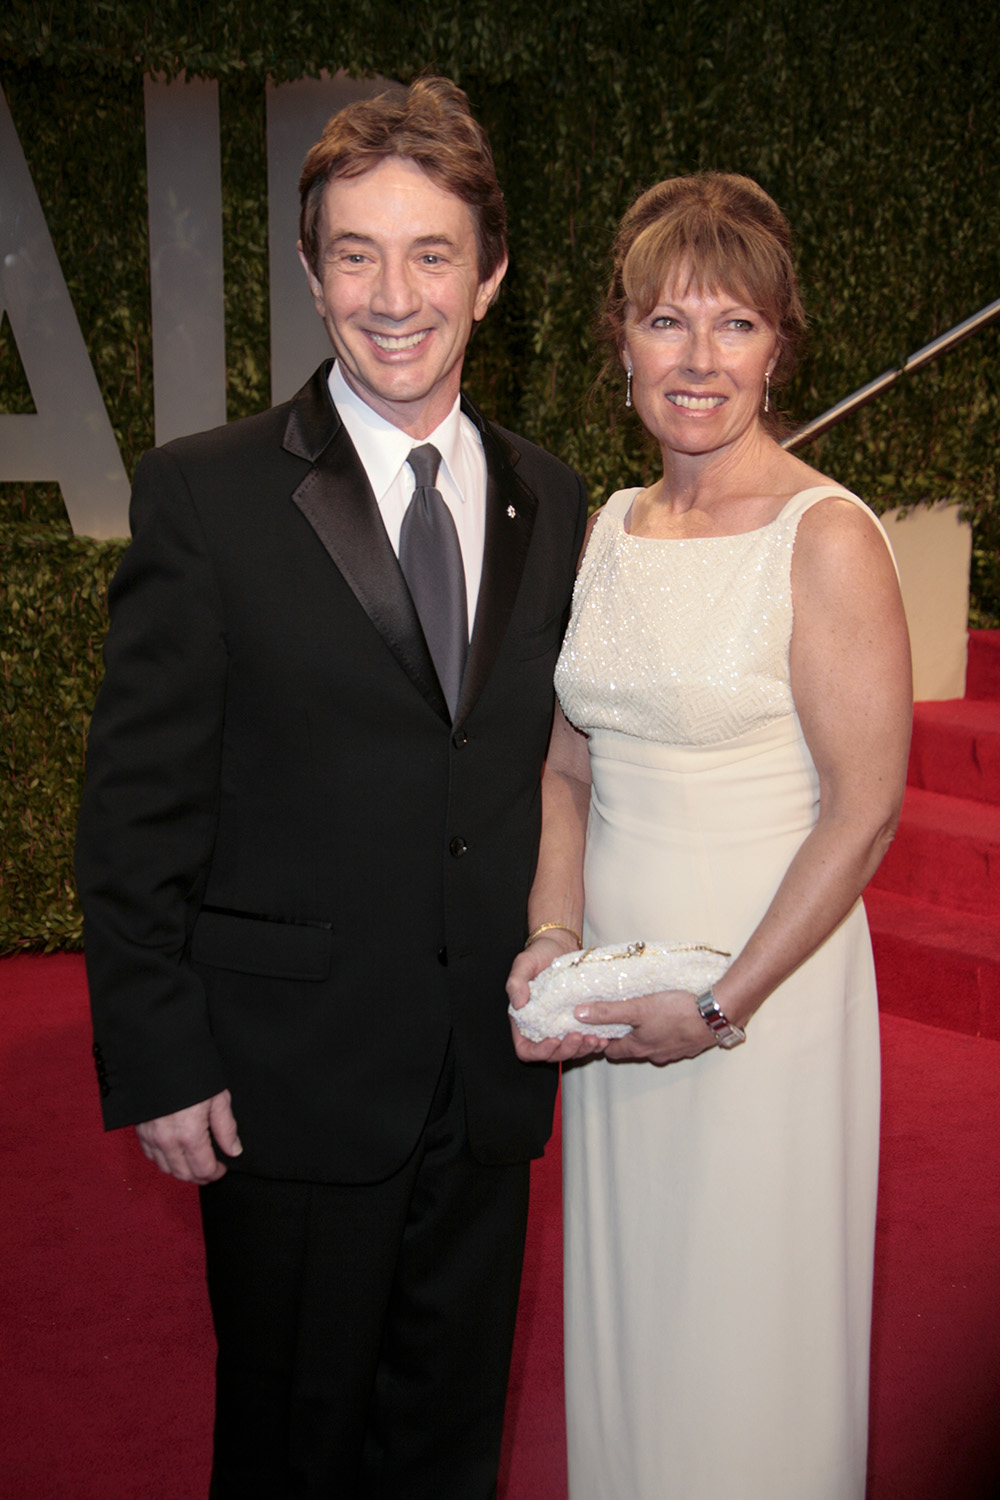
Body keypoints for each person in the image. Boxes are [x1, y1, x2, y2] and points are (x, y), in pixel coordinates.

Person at [75, 76, 587, 1499]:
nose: (394, 293)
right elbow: (135, 805)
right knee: (295, 1447)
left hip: (484, 1074)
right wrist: (160, 1052)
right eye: (355, 253)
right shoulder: (207, 493)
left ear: (491, 275)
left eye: (432, 253)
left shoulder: (552, 499)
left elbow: (540, 758)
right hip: (289, 1082)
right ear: (310, 275)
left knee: (446, 1442)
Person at [507, 172, 912, 1499]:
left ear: (779, 346)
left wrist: (720, 1002)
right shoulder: (610, 527)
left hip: (764, 1002)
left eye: (733, 326)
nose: (697, 361)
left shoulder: (828, 535)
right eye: (667, 321)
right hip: (621, 1001)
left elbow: (863, 814)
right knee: (642, 1318)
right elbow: (568, 765)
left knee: (746, 1334)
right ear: (619, 337)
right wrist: (555, 941)